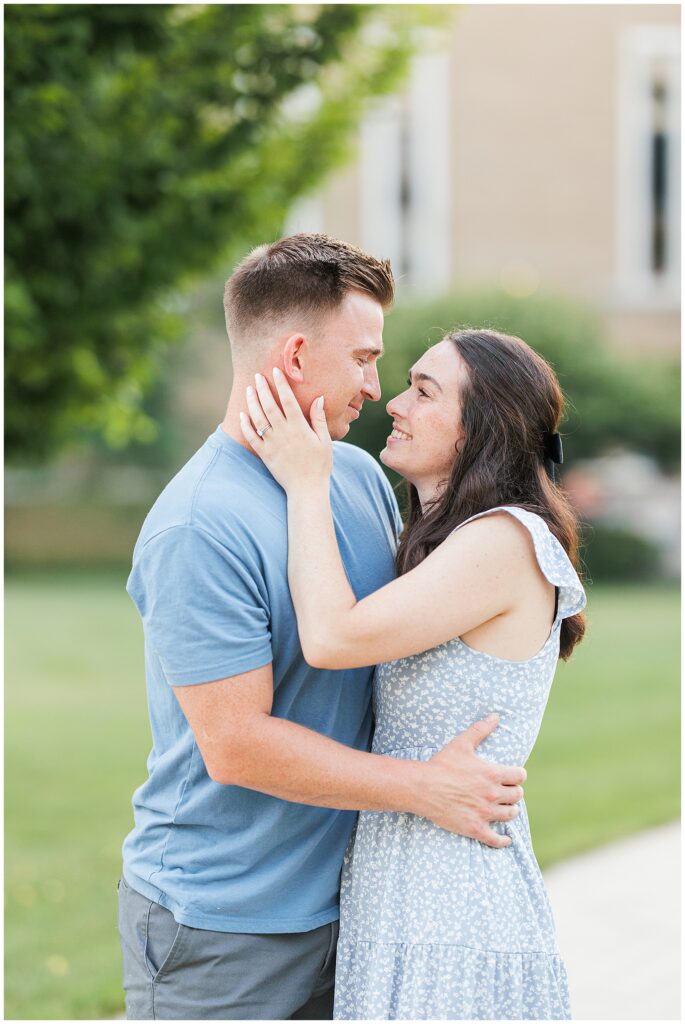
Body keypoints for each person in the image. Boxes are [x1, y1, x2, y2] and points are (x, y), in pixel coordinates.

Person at [117, 235, 527, 1021]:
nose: (376, 388)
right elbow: (236, 745)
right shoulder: (200, 525)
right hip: (226, 926)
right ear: (297, 354)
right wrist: (425, 790)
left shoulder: (354, 475)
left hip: (356, 906)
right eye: (365, 359)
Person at [241, 327, 587, 1020]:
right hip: (401, 892)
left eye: (423, 392)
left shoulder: (503, 541)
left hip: (451, 910)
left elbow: (332, 637)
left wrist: (307, 482)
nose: (393, 402)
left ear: (481, 429)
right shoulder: (451, 542)